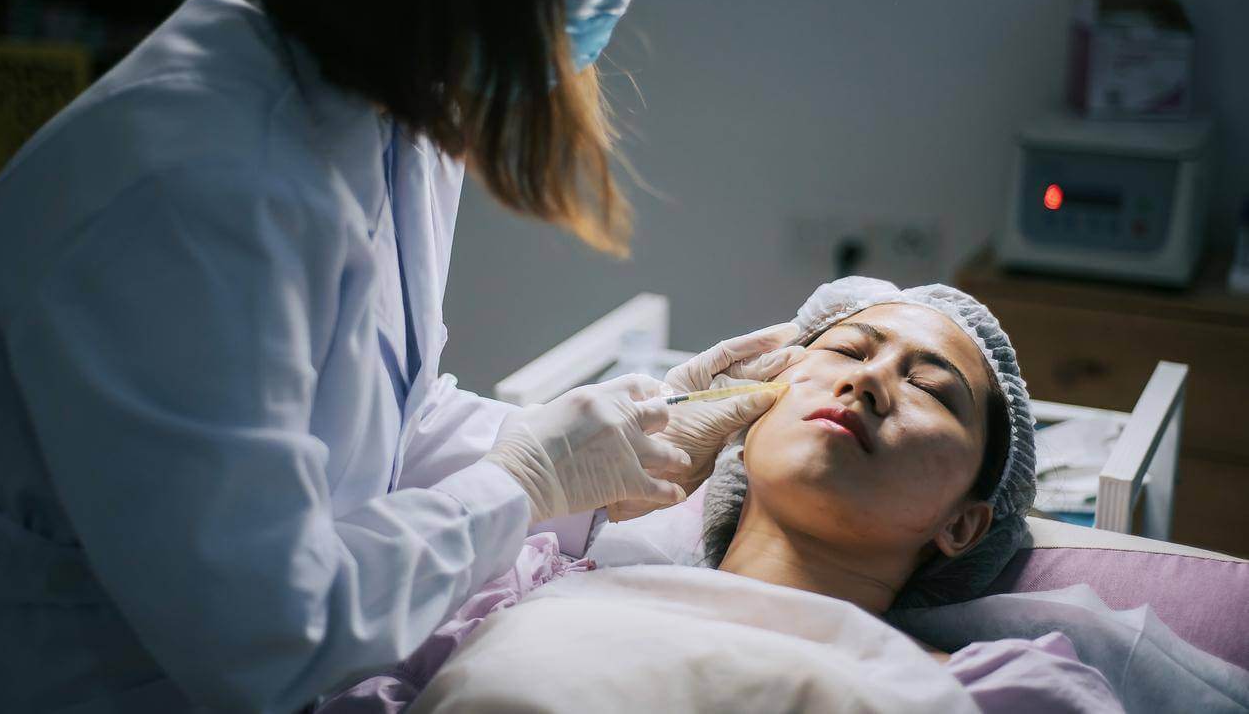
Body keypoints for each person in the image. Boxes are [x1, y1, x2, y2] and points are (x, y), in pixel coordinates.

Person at [0, 0, 804, 711]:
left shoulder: (398, 107)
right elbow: (267, 633)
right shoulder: (194, 187)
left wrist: (604, 456)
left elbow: (379, 415)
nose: (606, 2)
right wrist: (529, 479)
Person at [319, 278, 1136, 713]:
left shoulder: (996, 691)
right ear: (752, 411)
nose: (869, 379)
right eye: (851, 346)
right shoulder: (523, 584)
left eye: (930, 387)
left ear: (964, 522)